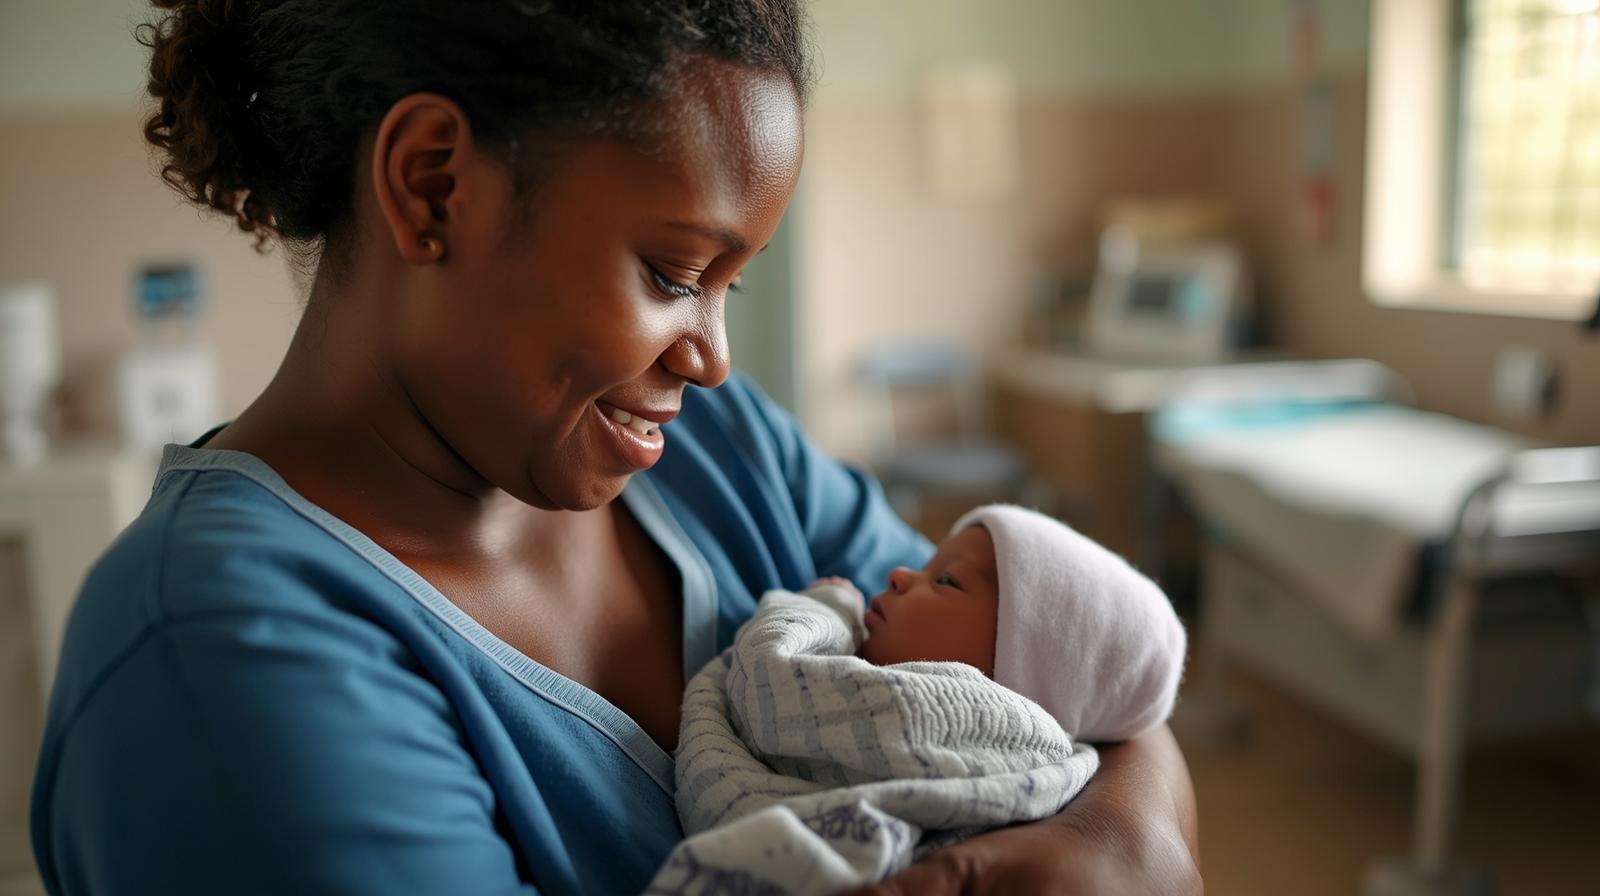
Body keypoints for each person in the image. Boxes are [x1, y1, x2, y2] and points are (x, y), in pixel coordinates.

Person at [30, 1, 1201, 893]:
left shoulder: (722, 454)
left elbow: (1060, 663)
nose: (714, 359)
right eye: (674, 275)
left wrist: (1123, 834)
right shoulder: (223, 655)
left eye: (731, 285)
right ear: (432, 186)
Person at [654, 504, 1187, 893]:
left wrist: (824, 609)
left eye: (946, 580)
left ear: (1017, 674)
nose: (900, 574)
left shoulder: (936, 716)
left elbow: (774, 681)